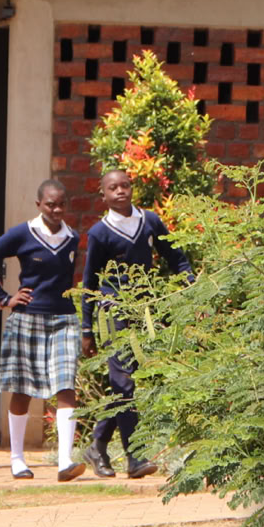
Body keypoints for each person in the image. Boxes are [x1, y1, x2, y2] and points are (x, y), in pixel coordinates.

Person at [0, 179, 85, 481]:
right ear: (39, 205)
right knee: (22, 389)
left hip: (63, 319)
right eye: (50, 204)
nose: (56, 209)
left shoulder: (72, 237)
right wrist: (3, 296)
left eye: (61, 204)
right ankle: (17, 458)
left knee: (65, 385)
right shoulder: (24, 233)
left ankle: (64, 461)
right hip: (27, 318)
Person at [81, 169, 192, 479]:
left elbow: (176, 256)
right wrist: (86, 330)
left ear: (132, 188)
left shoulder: (150, 221)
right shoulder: (100, 233)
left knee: (124, 386)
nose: (120, 191)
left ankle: (98, 445)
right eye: (112, 188)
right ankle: (134, 457)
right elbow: (89, 282)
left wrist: (190, 282)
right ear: (102, 196)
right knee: (124, 383)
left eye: (125, 185)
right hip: (112, 314)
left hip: (143, 310)